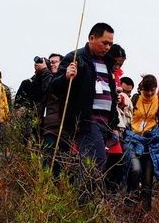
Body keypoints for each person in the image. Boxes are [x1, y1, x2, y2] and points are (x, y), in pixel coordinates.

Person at [50, 23, 118, 174]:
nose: (107, 47)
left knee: (93, 162)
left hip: (105, 123)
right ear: (92, 38)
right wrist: (66, 77)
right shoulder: (75, 58)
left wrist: (115, 124)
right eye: (105, 43)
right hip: (86, 121)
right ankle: (81, 197)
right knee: (96, 160)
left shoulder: (108, 63)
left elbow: (112, 95)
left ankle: (79, 196)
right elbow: (53, 87)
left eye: (110, 44)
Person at [124, 74, 159, 210]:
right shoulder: (134, 99)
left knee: (148, 180)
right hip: (133, 140)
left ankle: (145, 211)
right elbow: (126, 117)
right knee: (135, 169)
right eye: (146, 90)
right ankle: (131, 202)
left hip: (150, 143)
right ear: (142, 88)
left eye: (152, 90)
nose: (149, 93)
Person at [104, 45, 130, 192]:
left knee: (116, 162)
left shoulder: (116, 76)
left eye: (120, 65)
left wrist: (119, 100)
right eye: (116, 63)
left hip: (113, 124)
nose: (117, 66)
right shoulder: (100, 71)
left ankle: (110, 198)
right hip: (101, 123)